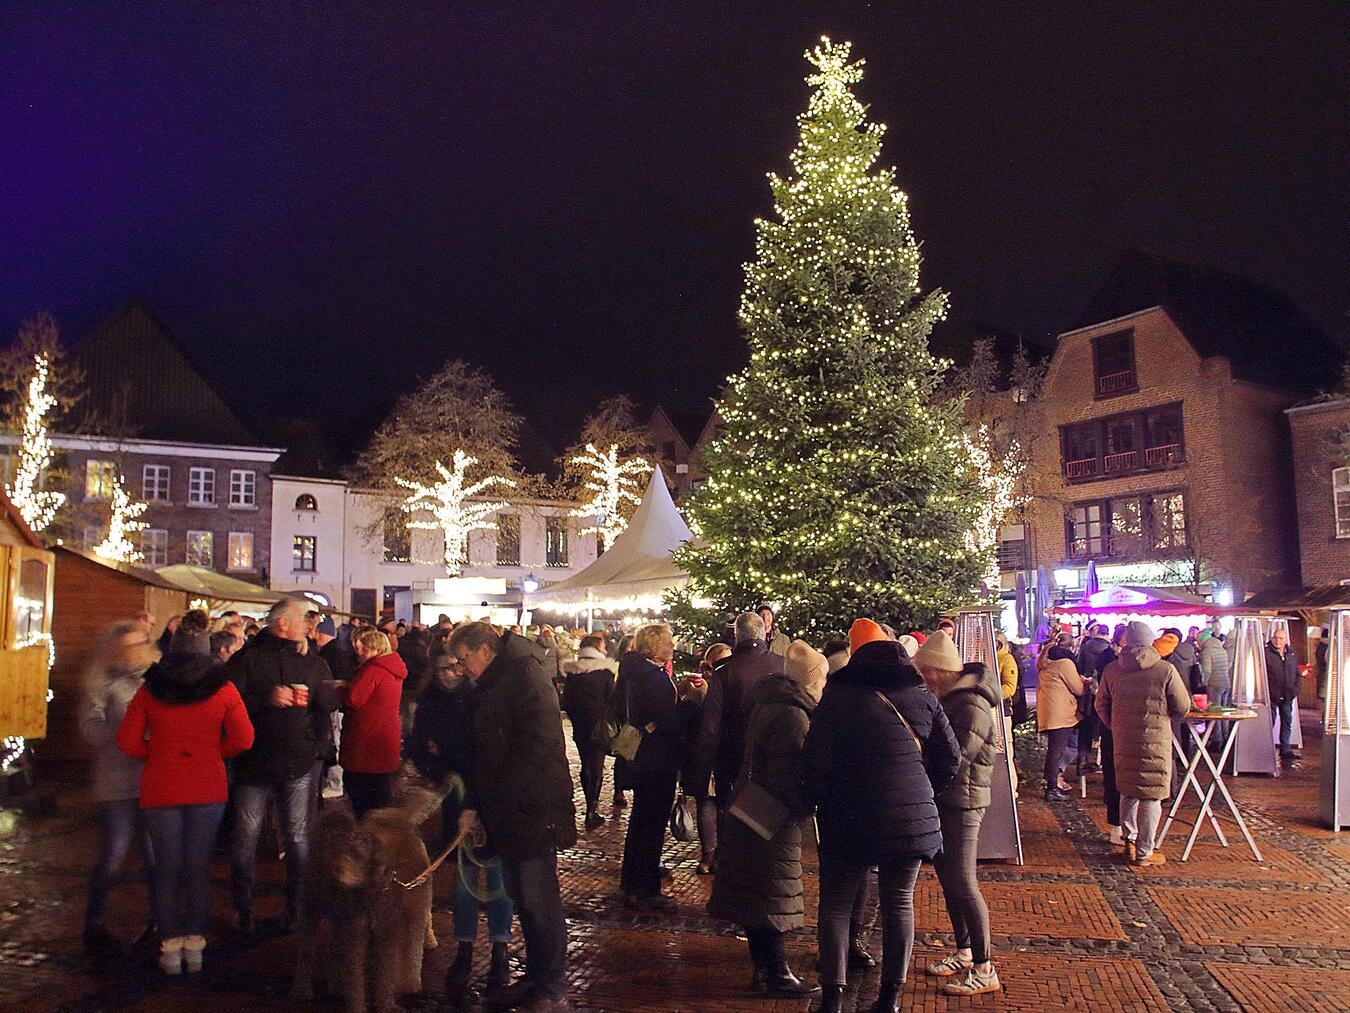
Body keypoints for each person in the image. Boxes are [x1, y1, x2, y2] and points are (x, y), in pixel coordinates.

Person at [804, 619, 960, 1013]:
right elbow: (951, 757)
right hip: (909, 821)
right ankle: (889, 998)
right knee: (899, 903)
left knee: (837, 905)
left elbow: (814, 761)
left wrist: (822, 797)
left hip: (848, 815)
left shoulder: (838, 694)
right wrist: (923, 792)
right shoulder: (921, 694)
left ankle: (832, 998)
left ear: (855, 656)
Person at [447, 621, 575, 1013]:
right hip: (511, 808)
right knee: (524, 896)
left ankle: (551, 988)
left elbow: (534, 747)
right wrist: (476, 803)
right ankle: (539, 979)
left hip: (533, 808)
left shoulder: (523, 676)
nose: (461, 667)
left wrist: (493, 799)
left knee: (539, 900)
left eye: (464, 659)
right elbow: (484, 749)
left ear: (484, 650)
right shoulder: (498, 678)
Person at [116, 627, 254, 974]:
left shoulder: (151, 689)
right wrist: (213, 753)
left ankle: (169, 949)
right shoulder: (224, 689)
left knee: (166, 868)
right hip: (207, 785)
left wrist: (157, 754)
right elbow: (244, 738)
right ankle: (195, 946)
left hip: (161, 785)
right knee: (198, 866)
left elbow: (127, 742)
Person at [708, 639, 823, 998]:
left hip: (750, 805)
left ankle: (763, 968)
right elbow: (788, 776)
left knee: (756, 893)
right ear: (810, 680)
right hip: (772, 816)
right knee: (772, 893)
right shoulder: (794, 714)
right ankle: (777, 972)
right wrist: (806, 807)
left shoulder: (767, 705)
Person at [226, 597, 335, 934]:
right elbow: (229, 702)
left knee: (298, 838)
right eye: (306, 618)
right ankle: (244, 909)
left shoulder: (312, 662)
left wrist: (317, 748)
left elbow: (325, 708)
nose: (311, 624)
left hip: (297, 762)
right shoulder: (249, 658)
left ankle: (298, 907)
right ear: (283, 623)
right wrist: (265, 700)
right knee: (246, 837)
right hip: (254, 763)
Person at [408, 648, 513, 996]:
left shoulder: (481, 698)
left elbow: (488, 748)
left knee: (497, 877)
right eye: (444, 667)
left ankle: (500, 949)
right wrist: (443, 767)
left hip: (491, 795)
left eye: (456, 666)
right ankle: (464, 949)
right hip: (456, 797)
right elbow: (420, 750)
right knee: (464, 879)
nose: (450, 672)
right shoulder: (429, 705)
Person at [913, 632, 1002, 997]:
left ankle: (984, 967)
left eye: (925, 673)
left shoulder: (970, 705)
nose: (922, 680)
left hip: (964, 802)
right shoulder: (952, 699)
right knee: (951, 880)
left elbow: (956, 756)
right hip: (950, 800)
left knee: (963, 881)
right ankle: (964, 951)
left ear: (937, 671)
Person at [79, 621, 159, 953]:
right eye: (128, 646)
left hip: (151, 780)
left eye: (139, 644)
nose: (134, 651)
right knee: (113, 854)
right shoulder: (101, 682)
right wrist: (123, 733)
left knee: (155, 856)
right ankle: (94, 923)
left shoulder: (155, 679)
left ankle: (160, 922)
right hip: (116, 784)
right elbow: (90, 727)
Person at [1096, 622, 1191, 866]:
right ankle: (1144, 851)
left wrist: (1115, 725)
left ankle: (1129, 839)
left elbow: (1101, 704)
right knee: (1151, 795)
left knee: (1127, 789)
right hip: (1155, 740)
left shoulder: (1112, 670)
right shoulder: (1165, 670)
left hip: (1123, 740)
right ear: (1150, 640)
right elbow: (1182, 706)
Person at [688, 612, 785, 843]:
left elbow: (711, 726)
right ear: (764, 634)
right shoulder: (781, 665)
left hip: (731, 759)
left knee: (731, 823)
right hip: (772, 756)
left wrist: (704, 766)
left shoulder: (724, 671)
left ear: (736, 636)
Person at [616, 623, 682, 909]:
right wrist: (690, 705)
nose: (672, 647)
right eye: (668, 642)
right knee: (652, 822)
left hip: (644, 756)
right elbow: (668, 721)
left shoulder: (636, 672)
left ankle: (632, 881)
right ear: (655, 646)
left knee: (641, 820)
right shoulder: (653, 677)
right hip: (657, 759)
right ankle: (646, 888)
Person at [339, 628, 407, 818]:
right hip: (385, 735)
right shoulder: (393, 669)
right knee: (381, 794)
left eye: (364, 648)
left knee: (362, 797)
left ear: (375, 649)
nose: (359, 652)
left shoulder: (373, 670)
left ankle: (367, 836)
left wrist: (341, 689)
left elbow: (355, 699)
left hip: (366, 739)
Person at [682, 643, 730, 874]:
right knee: (708, 803)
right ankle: (710, 853)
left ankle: (711, 855)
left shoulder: (703, 685)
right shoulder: (705, 687)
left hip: (707, 752)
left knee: (709, 802)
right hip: (708, 752)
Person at [561, 634, 618, 829]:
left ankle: (589, 805)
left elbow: (566, 699)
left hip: (580, 723)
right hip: (599, 723)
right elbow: (612, 698)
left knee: (586, 762)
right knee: (597, 764)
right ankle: (592, 809)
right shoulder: (605, 671)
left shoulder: (573, 672)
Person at [1036, 640, 1085, 800]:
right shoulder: (1065, 664)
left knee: (1054, 750)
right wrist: (1086, 682)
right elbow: (1078, 688)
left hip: (1050, 712)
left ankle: (1052, 782)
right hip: (1061, 713)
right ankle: (1052, 787)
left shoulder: (1046, 665)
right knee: (1056, 751)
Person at [1266, 627, 1302, 768]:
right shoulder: (1267, 653)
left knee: (1287, 721)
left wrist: (1295, 690)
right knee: (1271, 721)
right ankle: (1267, 748)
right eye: (1276, 638)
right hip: (1274, 695)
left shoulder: (1291, 654)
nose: (1278, 641)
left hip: (1288, 695)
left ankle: (1285, 748)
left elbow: (1296, 673)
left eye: (1281, 638)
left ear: (1285, 640)